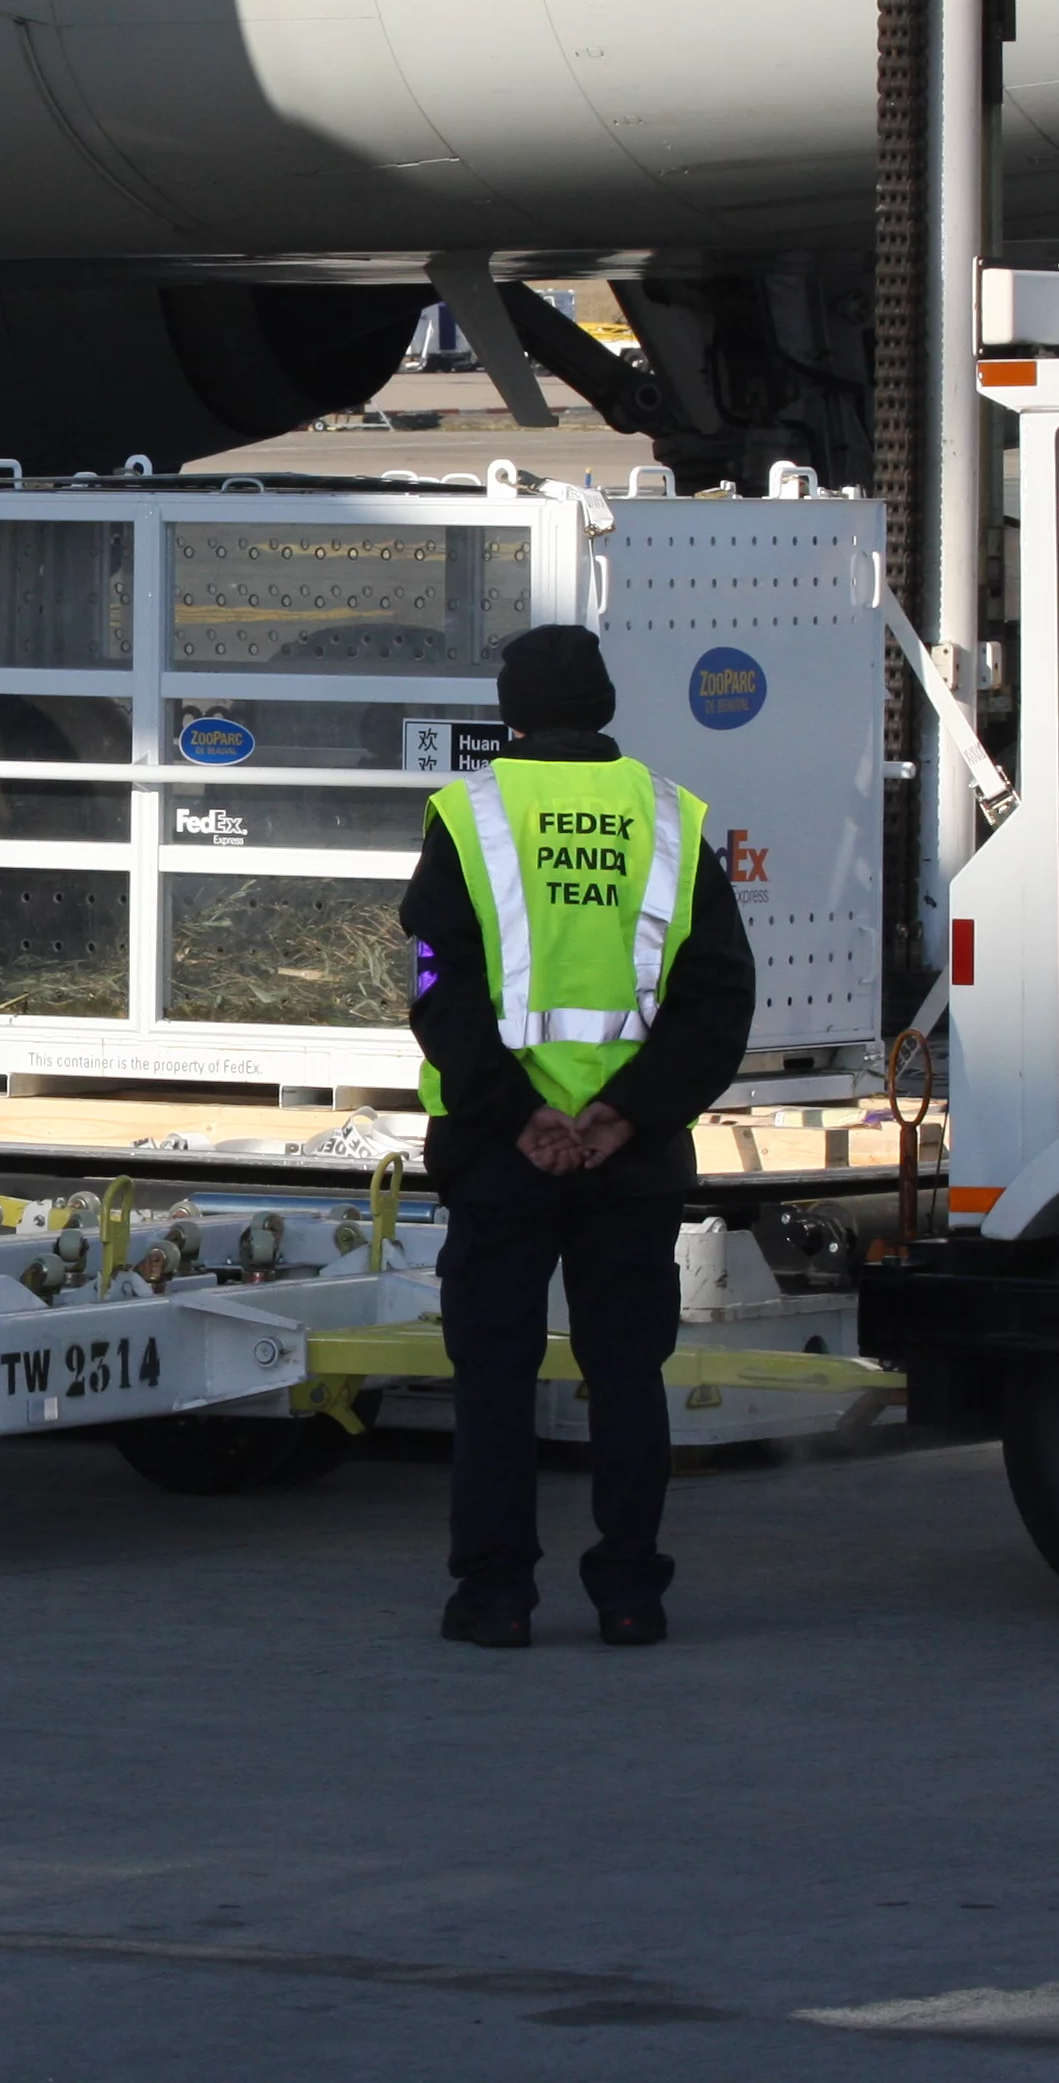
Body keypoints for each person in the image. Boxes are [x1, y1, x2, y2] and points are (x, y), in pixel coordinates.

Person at [402, 625, 755, 1650]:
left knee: (495, 1380)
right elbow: (718, 998)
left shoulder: (471, 815)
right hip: (630, 1160)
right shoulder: (671, 816)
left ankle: (496, 1597)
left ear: (510, 714)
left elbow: (440, 991)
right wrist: (628, 1112)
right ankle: (631, 1595)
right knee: (628, 1378)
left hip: (501, 1154)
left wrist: (520, 1116)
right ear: (604, 708)